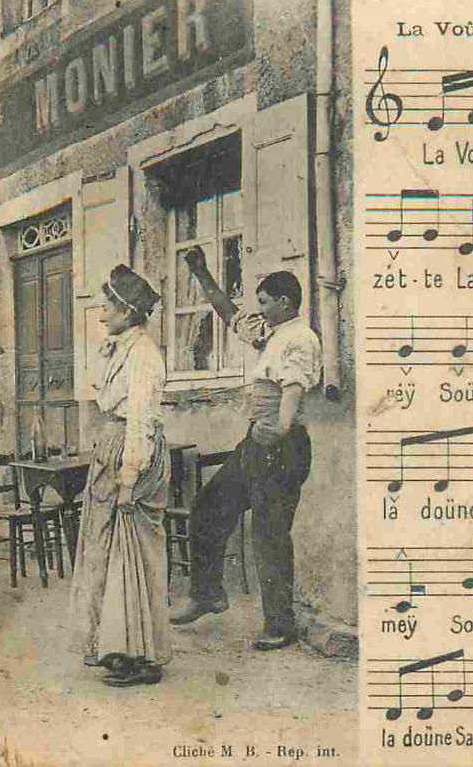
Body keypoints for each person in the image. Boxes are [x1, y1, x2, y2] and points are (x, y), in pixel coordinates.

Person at [169, 247, 322, 651]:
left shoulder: (301, 339)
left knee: (269, 535)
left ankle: (280, 625)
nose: (259, 309)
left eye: (265, 302)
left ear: (284, 303)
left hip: (281, 444)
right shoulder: (269, 332)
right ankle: (208, 593)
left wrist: (280, 428)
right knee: (209, 506)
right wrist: (201, 274)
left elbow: (294, 388)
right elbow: (227, 312)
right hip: (257, 441)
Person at [67, 264, 171, 687]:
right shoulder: (118, 348)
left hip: (133, 455)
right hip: (111, 448)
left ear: (128, 312)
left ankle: (143, 656)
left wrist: (129, 478)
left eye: (107, 307)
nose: (102, 313)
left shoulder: (144, 353)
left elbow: (141, 419)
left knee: (134, 551)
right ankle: (119, 646)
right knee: (108, 550)